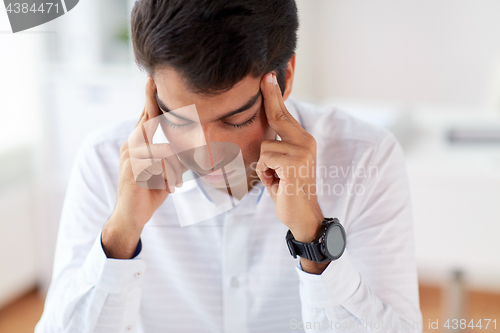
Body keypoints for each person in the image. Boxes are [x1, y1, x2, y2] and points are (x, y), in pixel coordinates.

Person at [35, 0, 423, 332]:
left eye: (234, 120)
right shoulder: (105, 162)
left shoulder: (364, 159)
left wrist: (312, 237)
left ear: (284, 77)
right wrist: (121, 233)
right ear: (153, 89)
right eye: (178, 115)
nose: (204, 153)